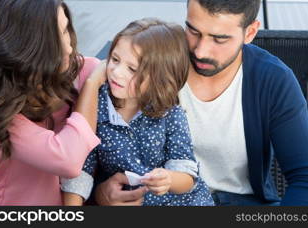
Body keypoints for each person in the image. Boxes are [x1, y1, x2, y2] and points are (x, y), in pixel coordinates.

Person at [93, 0, 308, 206]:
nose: (200, 50)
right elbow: (106, 139)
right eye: (193, 31)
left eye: (219, 39)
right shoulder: (155, 64)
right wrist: (100, 193)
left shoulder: (273, 81)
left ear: (250, 32)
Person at [0, 0, 106, 205]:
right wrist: (91, 87)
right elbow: (66, 159)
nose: (68, 47)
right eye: (53, 40)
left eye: (65, 30)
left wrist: (106, 191)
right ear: (22, 49)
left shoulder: (84, 70)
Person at [61, 18, 214, 206]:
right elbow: (81, 168)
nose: (117, 72)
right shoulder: (97, 104)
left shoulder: (170, 112)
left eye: (132, 69)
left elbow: (187, 173)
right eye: (115, 59)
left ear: (160, 79)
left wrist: (168, 179)